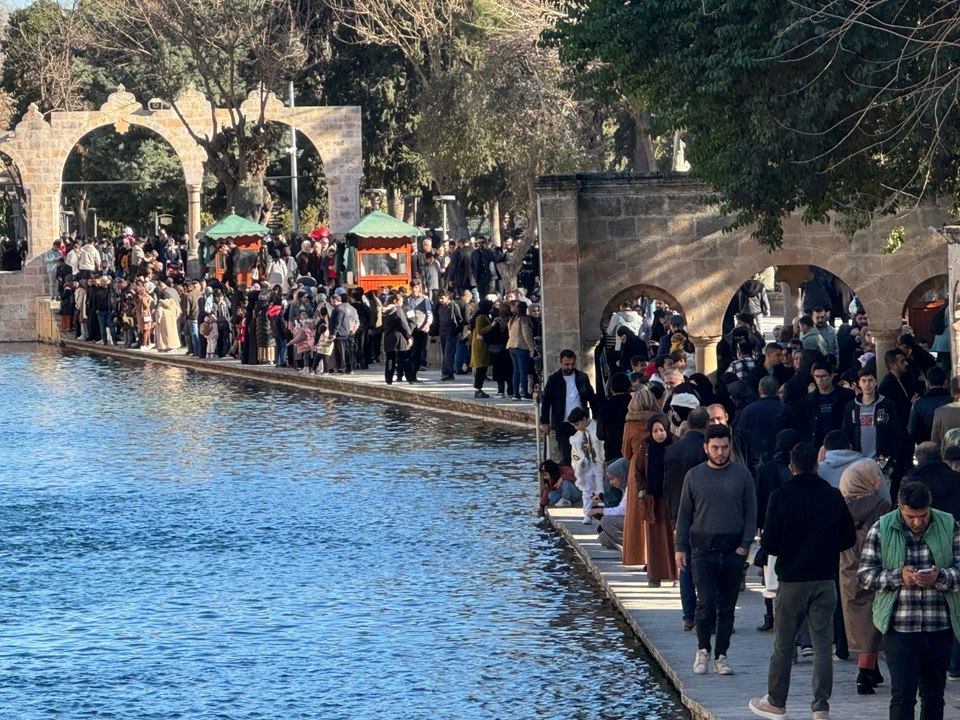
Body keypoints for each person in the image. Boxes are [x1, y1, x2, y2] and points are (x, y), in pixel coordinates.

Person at [748, 443, 855, 720]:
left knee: (783, 644)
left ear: (791, 467)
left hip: (792, 579)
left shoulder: (781, 496)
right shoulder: (833, 496)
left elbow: (769, 543)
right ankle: (820, 707)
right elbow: (848, 539)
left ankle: (776, 701)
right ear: (817, 465)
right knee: (822, 646)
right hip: (824, 579)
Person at [858, 481, 960, 720]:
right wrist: (898, 577)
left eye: (923, 515)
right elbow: (864, 575)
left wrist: (940, 576)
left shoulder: (949, 524)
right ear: (900, 507)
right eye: (911, 516)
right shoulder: (882, 528)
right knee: (903, 695)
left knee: (934, 696)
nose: (917, 522)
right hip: (900, 628)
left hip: (939, 625)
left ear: (930, 507)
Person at [675, 423, 757, 676]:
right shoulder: (694, 475)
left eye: (724, 447)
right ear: (706, 448)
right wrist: (680, 547)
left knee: (727, 607)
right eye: (715, 447)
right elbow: (684, 514)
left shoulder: (742, 475)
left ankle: (722, 654)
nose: (720, 452)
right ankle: (702, 650)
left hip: (733, 550)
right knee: (706, 603)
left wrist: (745, 545)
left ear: (730, 447)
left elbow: (751, 511)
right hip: (702, 550)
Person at [838, 459, 891, 696]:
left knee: (860, 623)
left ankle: (870, 670)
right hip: (876, 569)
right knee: (877, 621)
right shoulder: (880, 507)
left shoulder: (841, 507)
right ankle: (866, 673)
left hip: (849, 570)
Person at [665, 406, 709, 631]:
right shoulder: (704, 451)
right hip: (703, 514)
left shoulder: (672, 450)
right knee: (705, 565)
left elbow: (667, 486)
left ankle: (688, 616)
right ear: (706, 425)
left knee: (685, 566)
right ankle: (705, 612)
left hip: (678, 513)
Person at [621, 386, 660, 568]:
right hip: (656, 463)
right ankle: (656, 553)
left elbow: (625, 453)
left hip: (637, 466)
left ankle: (637, 554)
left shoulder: (630, 424)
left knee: (636, 511)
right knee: (656, 508)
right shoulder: (659, 421)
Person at [539, 350, 600, 464]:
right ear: (560, 363)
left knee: (585, 455)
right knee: (566, 456)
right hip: (562, 423)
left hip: (581, 423)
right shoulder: (554, 380)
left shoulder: (582, 377)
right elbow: (546, 402)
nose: (570, 367)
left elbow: (591, 397)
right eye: (567, 364)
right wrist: (545, 421)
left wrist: (596, 417)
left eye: (572, 364)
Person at [638, 412, 677, 586]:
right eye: (655, 431)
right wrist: (641, 489)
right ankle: (655, 575)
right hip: (653, 499)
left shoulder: (676, 443)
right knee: (655, 539)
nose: (659, 434)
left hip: (672, 498)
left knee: (673, 536)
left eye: (661, 430)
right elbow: (638, 471)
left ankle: (675, 573)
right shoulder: (645, 447)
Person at [568, 407, 605, 525]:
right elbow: (575, 454)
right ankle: (587, 514)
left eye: (578, 424)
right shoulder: (577, 437)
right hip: (585, 466)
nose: (576, 427)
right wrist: (579, 464)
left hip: (598, 463)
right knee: (586, 490)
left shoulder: (596, 429)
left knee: (601, 489)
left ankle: (602, 514)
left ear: (584, 419)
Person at [593, 458, 630, 550]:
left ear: (621, 474)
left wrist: (600, 511)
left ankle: (629, 549)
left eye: (612, 478)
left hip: (636, 524)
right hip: (627, 521)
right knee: (603, 538)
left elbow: (623, 510)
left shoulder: (632, 488)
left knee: (607, 521)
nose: (611, 482)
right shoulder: (624, 488)